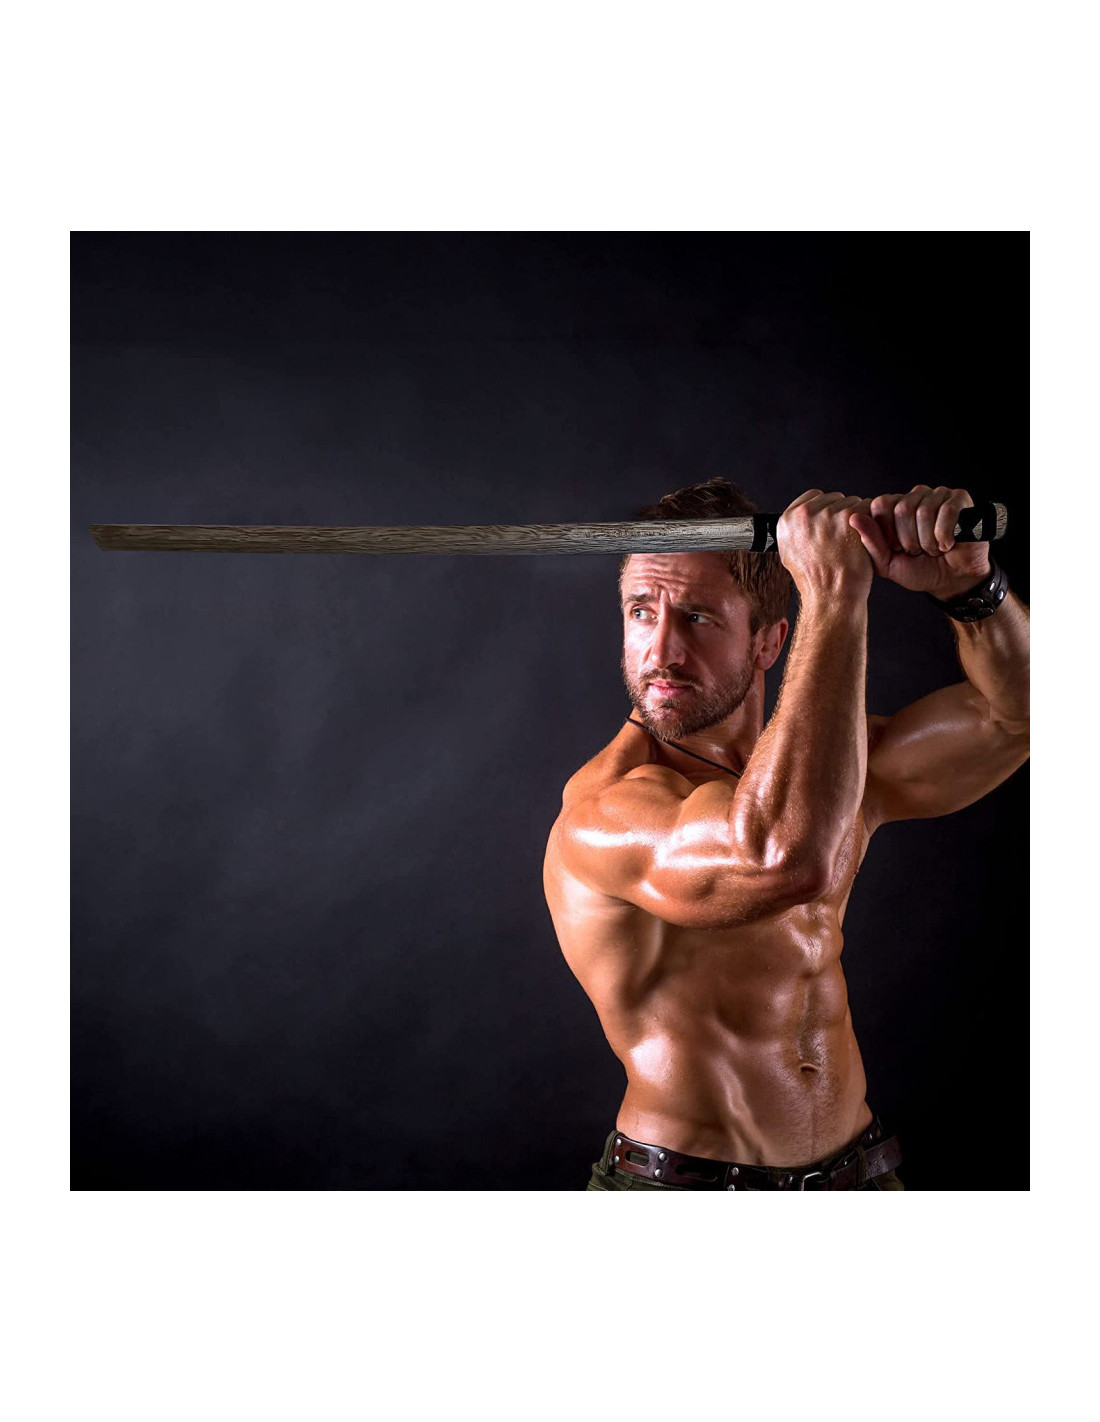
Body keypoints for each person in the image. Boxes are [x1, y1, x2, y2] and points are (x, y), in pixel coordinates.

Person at [543, 479, 1029, 1190]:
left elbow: (1020, 716)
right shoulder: (606, 808)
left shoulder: (833, 774)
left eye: (699, 617)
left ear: (770, 639)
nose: (661, 650)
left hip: (860, 1179)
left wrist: (973, 591)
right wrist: (834, 597)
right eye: (641, 611)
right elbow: (776, 855)